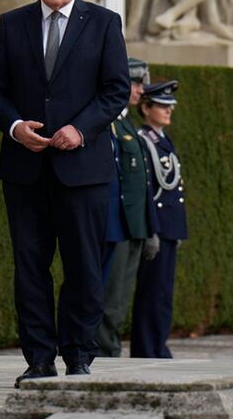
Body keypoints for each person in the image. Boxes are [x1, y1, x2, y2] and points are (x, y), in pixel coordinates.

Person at [0, 0, 129, 382]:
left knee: (83, 265)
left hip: (83, 170)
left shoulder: (104, 24)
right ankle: (39, 359)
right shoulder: (12, 24)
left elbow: (116, 90)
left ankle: (79, 353)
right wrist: (14, 127)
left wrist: (80, 130)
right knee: (30, 268)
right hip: (26, 171)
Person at [94, 57, 160, 358]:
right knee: (109, 296)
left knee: (120, 297)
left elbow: (140, 184)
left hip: (131, 225)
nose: (140, 90)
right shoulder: (110, 123)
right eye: (135, 83)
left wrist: (149, 228)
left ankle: (109, 347)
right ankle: (102, 349)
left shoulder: (125, 123)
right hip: (114, 224)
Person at [131, 80, 188, 358]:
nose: (168, 111)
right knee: (151, 293)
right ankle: (147, 348)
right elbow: (145, 189)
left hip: (169, 227)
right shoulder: (144, 140)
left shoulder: (163, 140)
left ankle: (158, 345)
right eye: (163, 106)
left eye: (170, 106)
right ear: (146, 108)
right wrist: (152, 229)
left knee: (163, 293)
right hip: (156, 227)